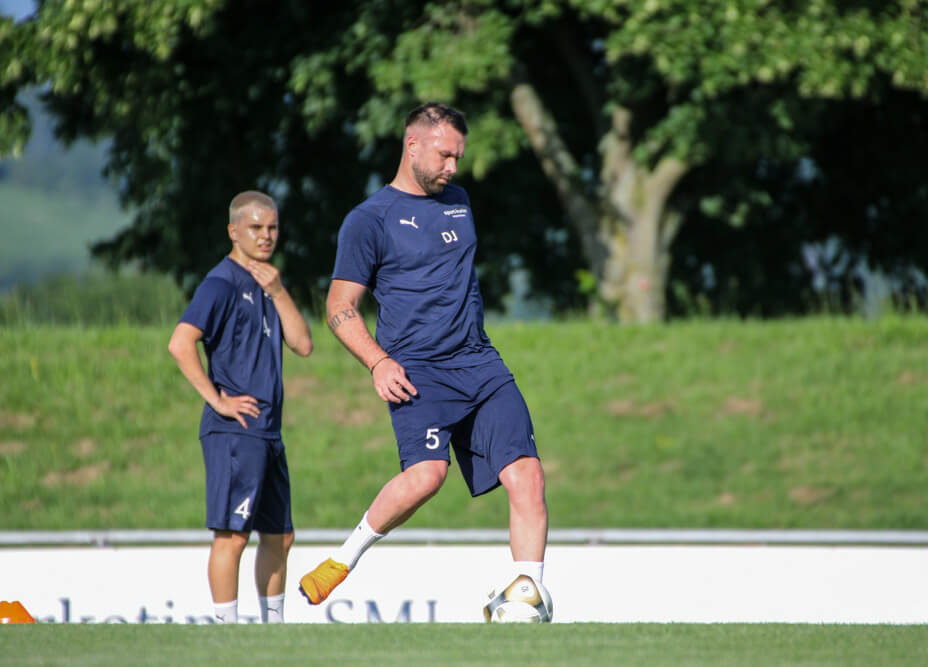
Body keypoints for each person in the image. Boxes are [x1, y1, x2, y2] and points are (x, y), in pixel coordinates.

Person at [298, 103, 548, 608]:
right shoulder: (368, 220)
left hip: (480, 363)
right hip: (418, 372)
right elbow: (339, 307)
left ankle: (529, 597)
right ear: (412, 146)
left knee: (527, 474)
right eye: (444, 154)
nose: (453, 167)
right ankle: (343, 559)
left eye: (458, 156)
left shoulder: (459, 201)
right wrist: (378, 361)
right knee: (427, 476)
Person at [168, 190, 313, 624]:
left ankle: (273, 630)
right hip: (235, 431)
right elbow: (180, 343)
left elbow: (303, 344)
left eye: (272, 228)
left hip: (268, 430)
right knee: (232, 535)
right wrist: (217, 400)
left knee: (280, 536)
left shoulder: (267, 283)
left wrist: (280, 290)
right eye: (256, 227)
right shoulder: (220, 283)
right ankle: (226, 632)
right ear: (234, 231)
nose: (266, 236)